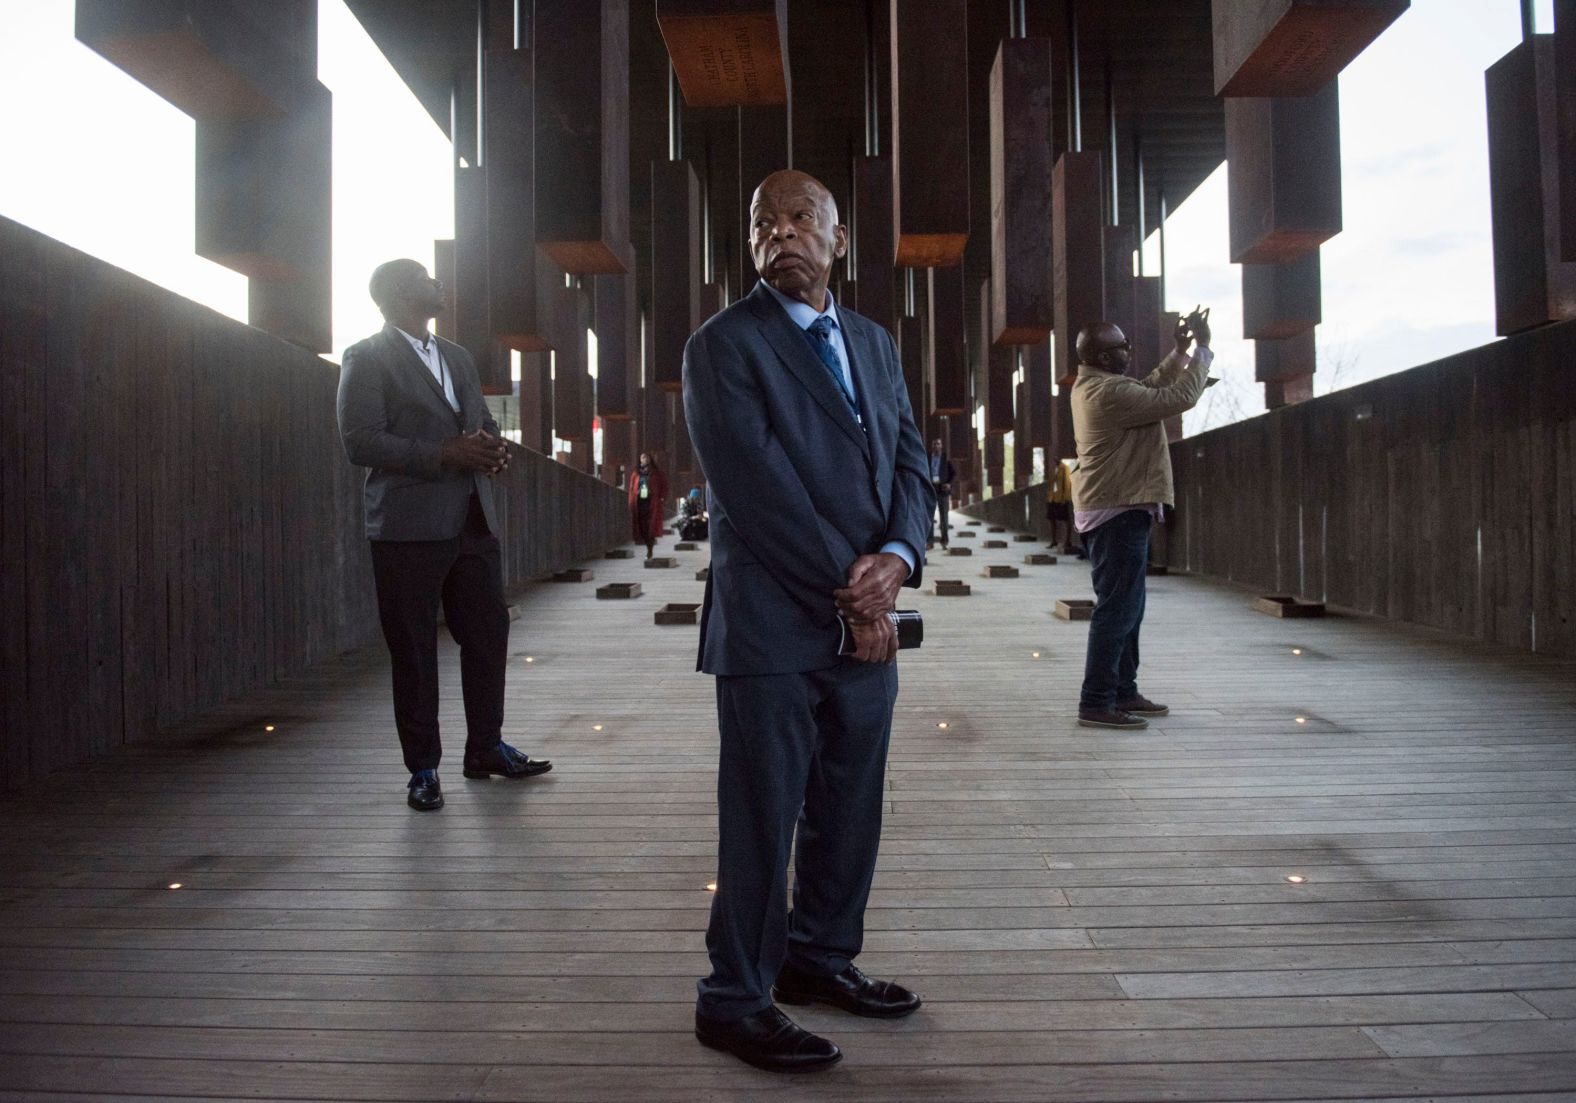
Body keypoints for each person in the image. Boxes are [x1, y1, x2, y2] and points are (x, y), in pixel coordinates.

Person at [682, 169, 934, 1072]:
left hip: (870, 613)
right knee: (762, 814)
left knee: (848, 804)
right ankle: (734, 998)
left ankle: (820, 957)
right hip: (773, 625)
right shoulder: (721, 346)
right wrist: (856, 590)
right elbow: (756, 491)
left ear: (838, 240)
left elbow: (912, 462)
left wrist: (899, 558)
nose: (780, 234)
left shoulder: (871, 341)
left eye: (800, 219)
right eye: (763, 224)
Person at [335, 259, 552, 812]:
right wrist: (443, 454)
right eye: (427, 279)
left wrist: (491, 446)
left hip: (472, 520)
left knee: (488, 636)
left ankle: (485, 748)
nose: (438, 285)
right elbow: (360, 441)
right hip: (406, 528)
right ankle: (423, 770)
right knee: (413, 650)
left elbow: (479, 420)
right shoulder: (366, 357)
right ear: (397, 296)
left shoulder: (457, 356)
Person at [1070, 307, 1213, 731]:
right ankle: (1096, 700)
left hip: (1120, 507)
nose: (1128, 352)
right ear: (1101, 355)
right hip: (1117, 510)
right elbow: (1176, 399)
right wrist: (1203, 350)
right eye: (1121, 347)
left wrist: (1179, 352)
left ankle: (1123, 689)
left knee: (1128, 608)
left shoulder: (1102, 386)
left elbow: (1149, 386)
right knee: (1117, 610)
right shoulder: (1106, 394)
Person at [627, 452, 668, 559]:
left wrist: (662, 498)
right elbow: (631, 489)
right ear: (640, 460)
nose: (645, 459)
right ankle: (648, 544)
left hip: (651, 503)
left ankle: (650, 549)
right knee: (642, 527)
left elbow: (664, 486)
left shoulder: (657, 473)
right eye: (643, 457)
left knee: (650, 526)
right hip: (639, 502)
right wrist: (631, 502)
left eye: (647, 457)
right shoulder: (636, 474)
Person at [927, 439, 956, 548]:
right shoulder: (927, 458)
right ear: (932, 446)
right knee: (929, 517)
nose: (936, 446)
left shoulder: (946, 459)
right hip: (931, 490)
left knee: (944, 517)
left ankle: (944, 541)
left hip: (943, 491)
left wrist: (949, 484)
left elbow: (953, 473)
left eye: (938, 443)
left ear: (941, 446)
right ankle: (929, 542)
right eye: (934, 444)